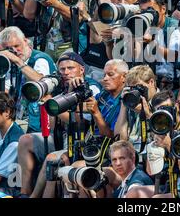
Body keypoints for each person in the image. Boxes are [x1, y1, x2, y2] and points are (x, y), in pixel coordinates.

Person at [35, 58, 128, 198]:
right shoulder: (103, 94)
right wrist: (72, 91)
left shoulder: (124, 101)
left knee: (77, 169)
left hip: (107, 154)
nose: (105, 79)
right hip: (91, 148)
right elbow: (79, 108)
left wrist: (96, 113)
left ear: (124, 77)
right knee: (52, 161)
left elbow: (112, 137)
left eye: (110, 75)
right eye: (104, 75)